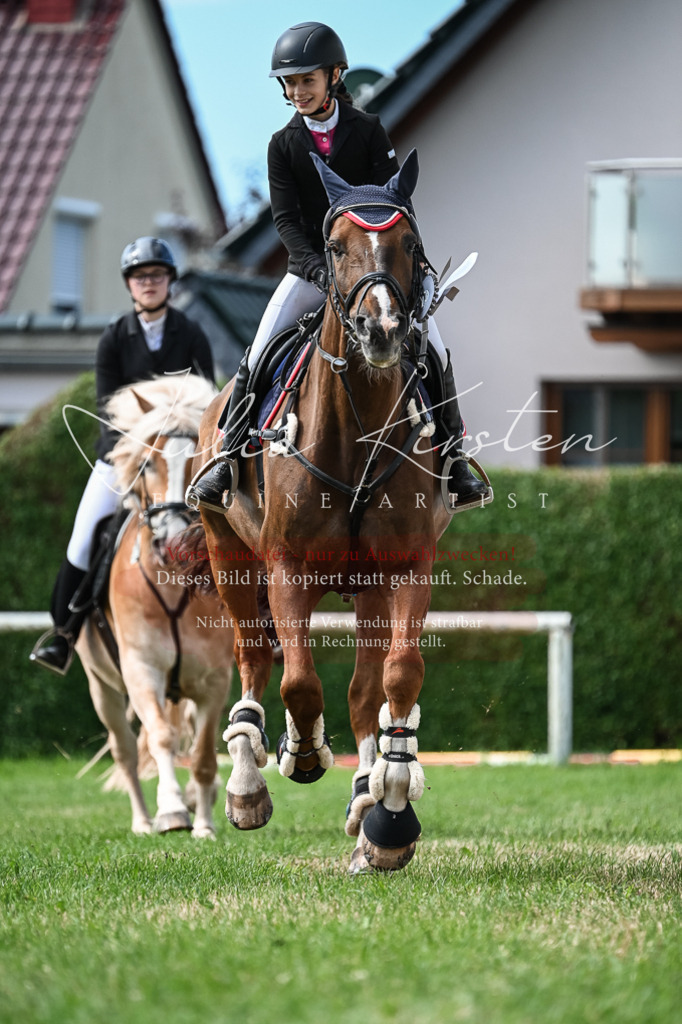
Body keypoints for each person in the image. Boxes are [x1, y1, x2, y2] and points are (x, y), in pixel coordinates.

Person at [189, 21, 489, 512]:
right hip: (312, 272)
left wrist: (407, 269)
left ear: (334, 76)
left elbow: (396, 208)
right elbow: (286, 222)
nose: (296, 91)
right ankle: (227, 456)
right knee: (260, 349)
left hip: (374, 270)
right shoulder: (282, 145)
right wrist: (317, 270)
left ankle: (454, 457)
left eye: (306, 80)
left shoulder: (368, 131)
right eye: (289, 83)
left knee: (433, 346)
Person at [30, 237, 215, 675]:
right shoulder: (113, 338)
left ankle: (259, 625)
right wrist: (135, 460)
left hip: (182, 463)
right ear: (129, 286)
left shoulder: (191, 334)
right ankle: (63, 634)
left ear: (169, 281)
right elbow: (106, 410)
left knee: (232, 526)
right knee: (84, 534)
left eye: (156, 275)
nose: (148, 283)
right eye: (139, 277)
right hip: (123, 461)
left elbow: (208, 404)